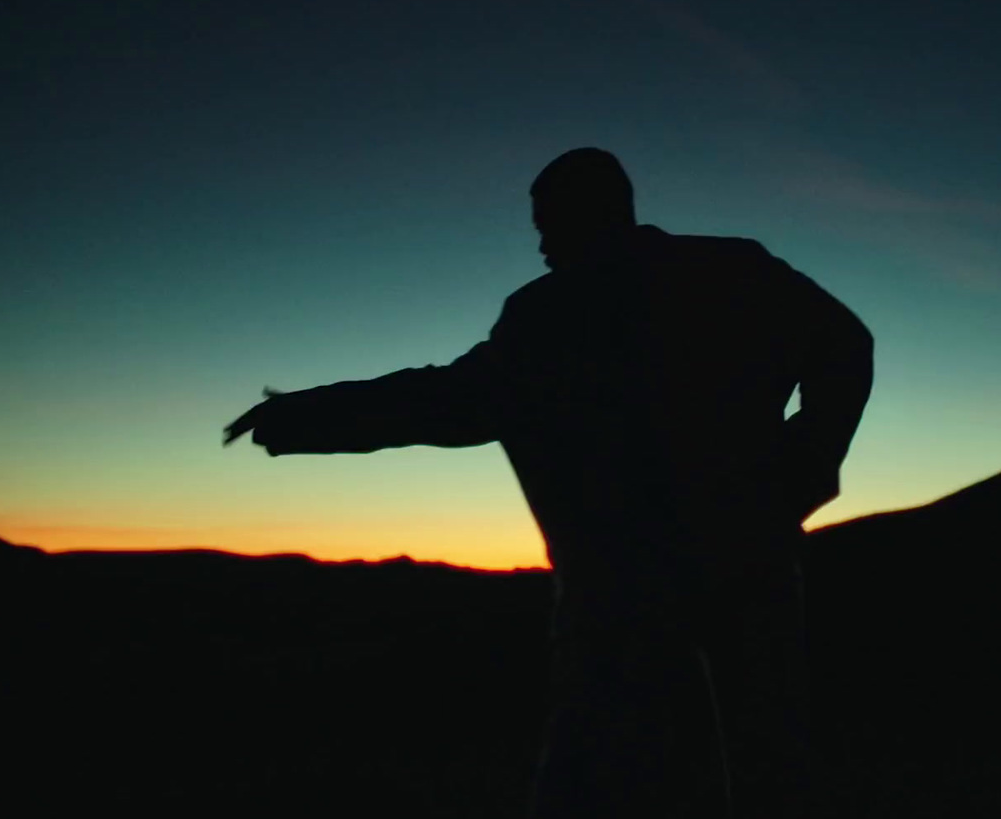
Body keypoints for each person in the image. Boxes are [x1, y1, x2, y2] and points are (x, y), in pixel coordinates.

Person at [224, 148, 873, 817]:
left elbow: (448, 399)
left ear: (595, 213)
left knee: (595, 776)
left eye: (547, 223)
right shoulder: (734, 270)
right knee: (765, 762)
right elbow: (846, 345)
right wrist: (807, 462)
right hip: (742, 563)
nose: (539, 242)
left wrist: (299, 415)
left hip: (622, 592)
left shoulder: (553, 314)